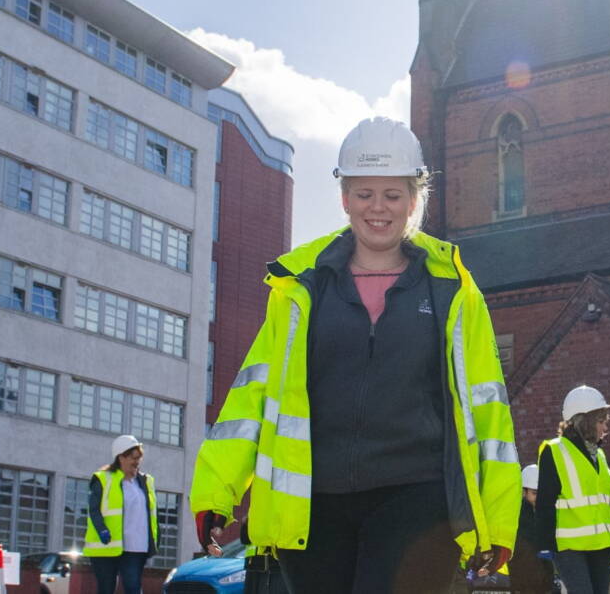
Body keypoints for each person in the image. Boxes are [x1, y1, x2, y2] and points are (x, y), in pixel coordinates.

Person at [191, 117, 520, 594]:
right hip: (312, 505)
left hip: (419, 496)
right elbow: (252, 396)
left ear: (413, 199)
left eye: (393, 194)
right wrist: (216, 491)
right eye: (364, 193)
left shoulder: (454, 290)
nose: (378, 208)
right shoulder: (300, 285)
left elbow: (489, 410)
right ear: (345, 197)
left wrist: (500, 518)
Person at [535, 386, 610, 594]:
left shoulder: (601, 456)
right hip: (569, 547)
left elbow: (608, 507)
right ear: (585, 421)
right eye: (601, 421)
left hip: (601, 546)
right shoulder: (555, 450)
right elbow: (544, 504)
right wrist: (545, 546)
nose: (605, 428)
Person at [84, 434, 157, 594]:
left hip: (136, 547)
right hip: (106, 546)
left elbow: (150, 514)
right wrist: (102, 529)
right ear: (121, 457)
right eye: (133, 457)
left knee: (133, 588)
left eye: (139, 458)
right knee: (106, 589)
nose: (137, 462)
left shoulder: (145, 482)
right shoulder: (103, 479)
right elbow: (94, 509)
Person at [509, 464, 555, 594]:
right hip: (524, 580)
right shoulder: (520, 514)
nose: (538, 498)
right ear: (524, 492)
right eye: (534, 493)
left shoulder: (546, 511)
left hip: (542, 580)